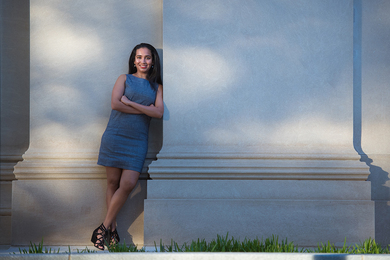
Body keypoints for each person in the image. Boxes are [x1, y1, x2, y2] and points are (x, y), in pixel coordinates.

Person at [91, 43, 163, 250]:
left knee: (129, 183)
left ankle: (102, 228)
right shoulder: (124, 79)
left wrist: (130, 103)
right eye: (139, 57)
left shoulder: (157, 87)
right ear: (134, 60)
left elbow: (158, 113)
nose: (143, 61)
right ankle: (112, 230)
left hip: (137, 141)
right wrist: (145, 109)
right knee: (112, 183)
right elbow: (115, 104)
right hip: (115, 136)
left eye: (147, 58)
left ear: (152, 61)